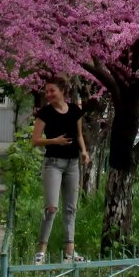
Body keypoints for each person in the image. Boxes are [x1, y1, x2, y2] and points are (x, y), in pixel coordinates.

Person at [31, 76, 90, 264]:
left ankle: (69, 252)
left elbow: (79, 134)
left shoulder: (74, 111)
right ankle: (40, 251)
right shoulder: (45, 113)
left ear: (62, 91)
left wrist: (84, 151)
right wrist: (54, 141)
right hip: (53, 163)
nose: (48, 94)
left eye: (52, 91)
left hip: (73, 164)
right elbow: (35, 140)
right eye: (46, 91)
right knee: (51, 208)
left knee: (71, 208)